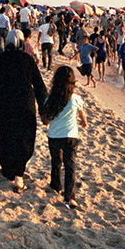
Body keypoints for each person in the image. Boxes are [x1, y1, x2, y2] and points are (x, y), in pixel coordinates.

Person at [0, 29, 48, 192]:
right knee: (24, 137)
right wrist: (44, 109)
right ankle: (18, 176)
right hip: (25, 104)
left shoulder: (0, 59)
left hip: (4, 103)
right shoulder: (28, 60)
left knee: (4, 135)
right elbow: (40, 87)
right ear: (22, 43)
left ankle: (8, 169)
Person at [40, 66, 87, 209]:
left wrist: (47, 120)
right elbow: (81, 113)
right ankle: (70, 197)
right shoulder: (75, 99)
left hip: (54, 136)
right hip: (70, 137)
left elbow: (45, 120)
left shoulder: (50, 98)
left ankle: (55, 185)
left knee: (56, 162)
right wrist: (84, 122)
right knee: (70, 166)